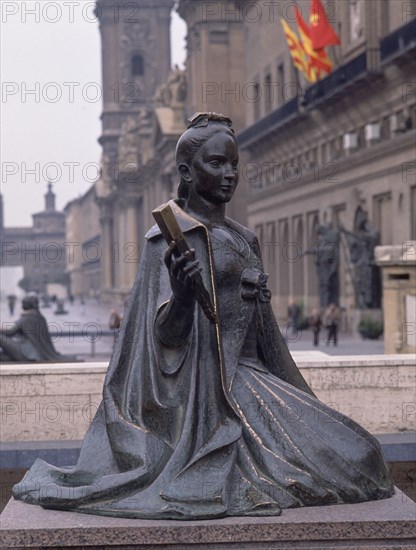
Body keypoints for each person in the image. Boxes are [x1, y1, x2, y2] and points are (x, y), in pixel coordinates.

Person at [13, 113, 393, 519]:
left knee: (363, 453)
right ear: (186, 172)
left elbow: (266, 338)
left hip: (252, 377)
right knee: (349, 464)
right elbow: (164, 339)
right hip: (211, 391)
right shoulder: (169, 238)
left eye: (234, 164)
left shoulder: (245, 237)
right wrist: (181, 296)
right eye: (216, 163)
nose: (230, 174)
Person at [0, 294, 77, 362]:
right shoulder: (40, 317)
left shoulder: (26, 318)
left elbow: (10, 332)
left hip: (26, 353)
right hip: (35, 353)